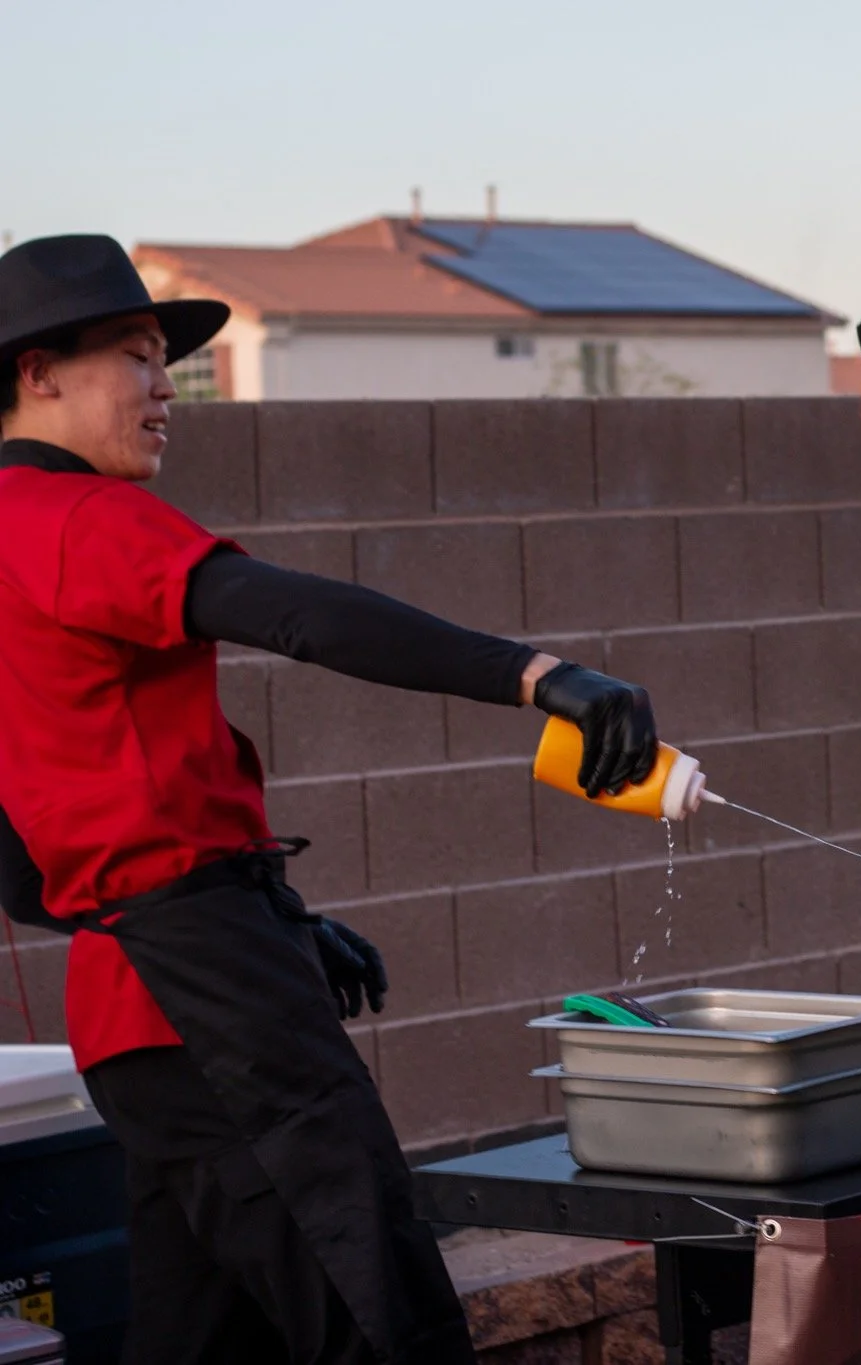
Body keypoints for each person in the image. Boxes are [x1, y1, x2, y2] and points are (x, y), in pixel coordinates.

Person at [0, 234, 690, 1364]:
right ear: (39, 372)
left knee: (197, 1338)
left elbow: (24, 871)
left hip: (132, 1018)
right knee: (379, 1313)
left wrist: (260, 914)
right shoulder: (70, 518)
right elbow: (297, 615)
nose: (167, 387)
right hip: (213, 1011)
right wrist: (538, 677)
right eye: (135, 355)